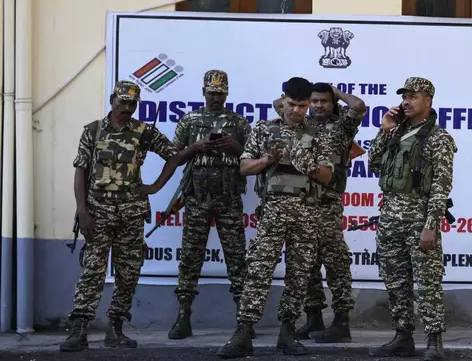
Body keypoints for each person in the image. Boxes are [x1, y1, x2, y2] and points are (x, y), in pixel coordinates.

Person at [60, 81, 210, 352]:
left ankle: (115, 329)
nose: (128, 108)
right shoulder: (93, 131)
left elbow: (174, 156)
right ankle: (79, 329)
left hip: (131, 214)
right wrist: (82, 211)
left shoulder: (143, 132)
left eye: (133, 103)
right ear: (112, 100)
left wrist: (155, 185)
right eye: (123, 102)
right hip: (98, 213)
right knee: (92, 271)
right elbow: (80, 171)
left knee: (128, 273)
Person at [216, 77, 335, 358]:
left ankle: (287, 334)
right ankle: (243, 333)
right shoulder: (263, 129)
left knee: (299, 276)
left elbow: (328, 175)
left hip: (306, 213)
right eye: (292, 104)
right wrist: (267, 161)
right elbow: (244, 167)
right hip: (272, 211)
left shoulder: (318, 134)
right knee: (258, 271)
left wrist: (304, 162)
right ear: (283, 100)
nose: (296, 111)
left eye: (302, 106)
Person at [367, 77, 457, 361]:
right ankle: (402, 336)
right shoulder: (396, 132)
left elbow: (442, 186)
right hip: (390, 214)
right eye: (404, 96)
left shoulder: (438, 138)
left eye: (412, 96)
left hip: (419, 216)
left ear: (427, 101)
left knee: (427, 280)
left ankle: (433, 340)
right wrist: (384, 131)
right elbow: (373, 164)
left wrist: (431, 226)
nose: (406, 101)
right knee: (395, 280)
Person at [162, 69, 252, 340]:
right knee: (190, 259)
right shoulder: (190, 121)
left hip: (229, 200)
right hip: (197, 199)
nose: (215, 97)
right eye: (211, 92)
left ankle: (244, 320)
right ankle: (183, 317)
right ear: (203, 92)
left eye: (220, 92)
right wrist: (195, 148)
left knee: (237, 259)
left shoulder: (238, 122)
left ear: (227, 93)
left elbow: (254, 158)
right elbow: (174, 156)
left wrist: (235, 146)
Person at [285, 83, 366, 343]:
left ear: (333, 104)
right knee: (305, 263)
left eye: (324, 101)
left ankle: (342, 322)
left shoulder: (342, 126)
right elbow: (281, 104)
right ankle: (313, 317)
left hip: (328, 205)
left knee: (335, 263)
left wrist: (337, 92)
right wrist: (302, 92)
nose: (319, 105)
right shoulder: (301, 123)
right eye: (314, 100)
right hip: (301, 203)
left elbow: (359, 107)